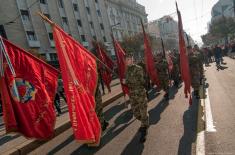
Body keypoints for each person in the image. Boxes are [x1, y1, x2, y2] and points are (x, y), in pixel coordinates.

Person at [124, 53, 149, 143]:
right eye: (126, 60)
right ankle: (144, 121)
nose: (127, 61)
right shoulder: (127, 71)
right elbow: (129, 83)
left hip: (140, 93)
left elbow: (141, 81)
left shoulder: (138, 68)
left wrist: (127, 81)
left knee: (143, 111)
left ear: (132, 59)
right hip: (132, 94)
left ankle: (144, 128)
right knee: (136, 113)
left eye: (129, 59)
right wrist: (126, 82)